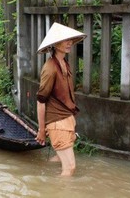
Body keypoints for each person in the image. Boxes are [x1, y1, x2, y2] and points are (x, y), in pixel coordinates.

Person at [35, 22, 86, 177]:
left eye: (70, 39)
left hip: (67, 117)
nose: (69, 42)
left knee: (59, 158)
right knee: (69, 168)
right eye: (65, 40)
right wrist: (41, 130)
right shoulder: (50, 69)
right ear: (55, 44)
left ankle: (38, 172)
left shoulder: (64, 63)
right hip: (57, 121)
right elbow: (41, 100)